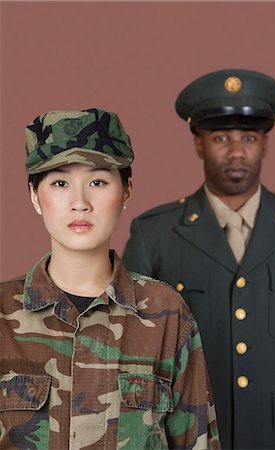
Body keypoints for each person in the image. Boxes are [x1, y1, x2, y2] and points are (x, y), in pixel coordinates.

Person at [0, 108, 221, 450]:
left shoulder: (167, 315)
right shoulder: (2, 316)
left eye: (98, 182)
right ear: (34, 196)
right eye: (60, 183)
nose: (80, 203)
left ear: (127, 191)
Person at [123, 69, 275, 450]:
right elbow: (132, 359)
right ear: (199, 144)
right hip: (189, 436)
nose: (237, 152)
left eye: (249, 138)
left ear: (265, 144)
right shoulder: (154, 234)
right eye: (221, 138)